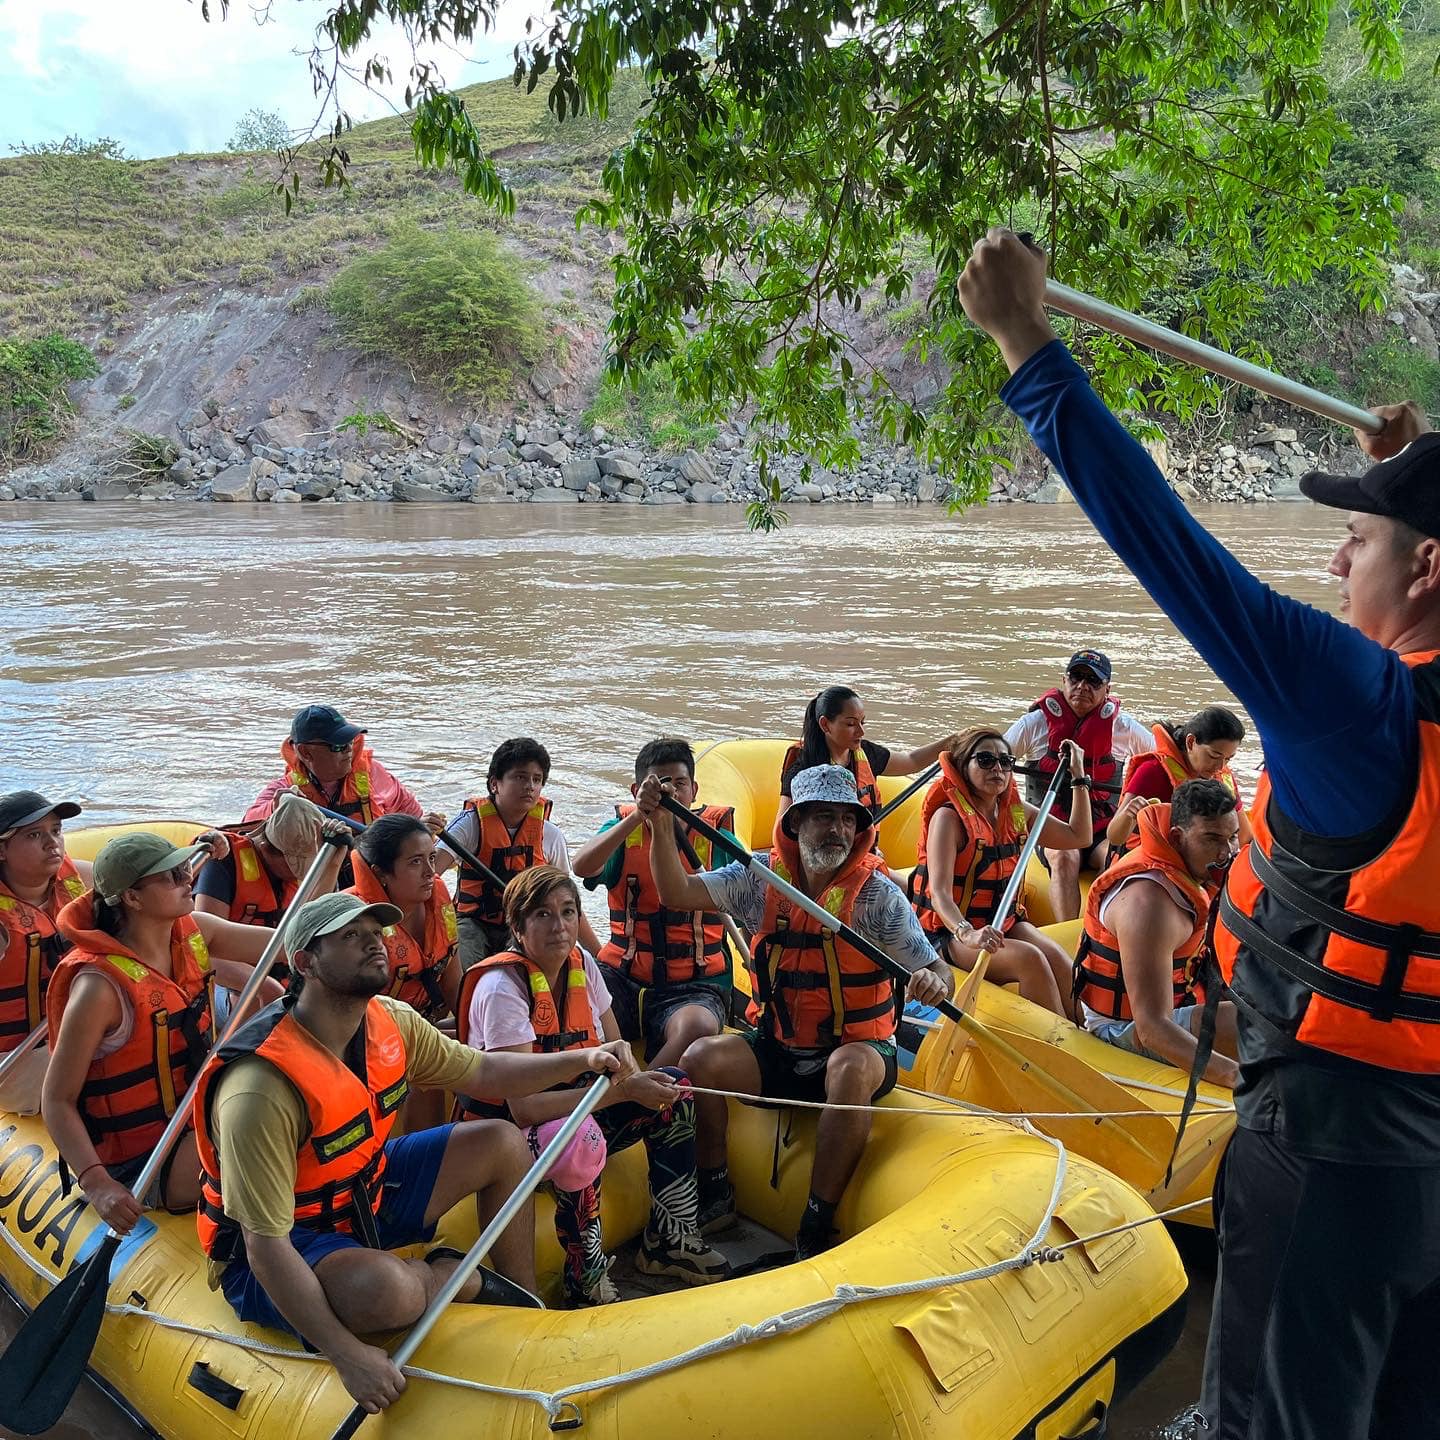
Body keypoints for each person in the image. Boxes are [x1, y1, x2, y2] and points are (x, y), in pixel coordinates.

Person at [958, 224, 1440, 1439]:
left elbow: (1173, 551)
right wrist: (1417, 468)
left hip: (1326, 1147)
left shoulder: (1356, 706)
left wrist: (1027, 346)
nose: (1335, 556)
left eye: (1361, 538)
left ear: (1428, 567)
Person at [192, 893, 636, 1416]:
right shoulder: (260, 1089)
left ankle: (524, 1302)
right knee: (391, 1294)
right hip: (288, 1239)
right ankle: (448, 1273)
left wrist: (583, 1058)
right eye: (350, 937)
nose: (374, 945)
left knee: (500, 1141)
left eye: (375, 933)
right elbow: (264, 1246)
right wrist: (346, 1355)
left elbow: (483, 1071)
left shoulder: (390, 1020)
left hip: (366, 1191)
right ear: (306, 962)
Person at [646, 764, 953, 1258]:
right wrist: (662, 826)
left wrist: (935, 982)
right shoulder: (758, 878)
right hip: (780, 1046)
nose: (838, 830)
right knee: (700, 1059)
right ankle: (715, 1189)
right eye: (823, 817)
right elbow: (676, 892)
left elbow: (937, 969)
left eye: (847, 820)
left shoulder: (878, 896)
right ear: (796, 823)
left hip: (860, 1049)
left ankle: (816, 1222)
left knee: (848, 1066)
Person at [456, 865, 729, 1305]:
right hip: (513, 1136)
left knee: (674, 1087)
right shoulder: (502, 988)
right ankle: (585, 1281)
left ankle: (669, 1240)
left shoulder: (583, 965)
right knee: (579, 1136)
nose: (559, 926)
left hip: (575, 1108)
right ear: (517, 927)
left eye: (568, 912)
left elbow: (618, 1054)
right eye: (543, 915)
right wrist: (622, 1092)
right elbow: (524, 1108)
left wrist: (637, 1084)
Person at [43, 832, 277, 1231]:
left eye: (185, 869)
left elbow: (289, 941)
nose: (188, 879)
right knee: (267, 1134)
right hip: (145, 1161)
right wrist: (98, 1184)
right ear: (132, 898)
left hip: (194, 1118)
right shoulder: (99, 988)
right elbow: (56, 1099)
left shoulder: (194, 931)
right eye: (171, 876)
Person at [571, 737, 743, 1067]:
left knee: (697, 1027)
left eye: (680, 784)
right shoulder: (623, 831)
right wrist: (639, 815)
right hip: (622, 978)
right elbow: (582, 866)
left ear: (694, 790)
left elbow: (752, 904)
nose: (671, 793)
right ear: (638, 790)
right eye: (662, 783)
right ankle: (601, 1080)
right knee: (574, 1002)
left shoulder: (717, 840)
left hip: (694, 987)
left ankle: (642, 1087)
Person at [909, 729, 1090, 1018]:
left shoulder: (1016, 812)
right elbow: (940, 894)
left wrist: (1079, 777)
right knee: (1030, 959)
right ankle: (1058, 1041)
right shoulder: (948, 818)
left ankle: (1092, 1035)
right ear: (963, 766)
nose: (997, 768)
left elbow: (1079, 836)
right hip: (950, 934)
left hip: (1003, 921)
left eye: (1005, 762)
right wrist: (968, 933)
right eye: (985, 760)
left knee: (1057, 956)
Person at [1075, 780, 1240, 1086]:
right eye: (1212, 839)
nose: (1227, 852)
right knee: (1258, 1029)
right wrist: (1240, 1080)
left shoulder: (1186, 872)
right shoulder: (1149, 905)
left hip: (1178, 1005)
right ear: (1176, 837)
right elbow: (1152, 1029)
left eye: (1232, 837)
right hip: (1121, 1031)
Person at [1004, 650, 1154, 921]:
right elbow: (996, 761)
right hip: (1052, 825)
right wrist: (1013, 815)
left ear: (1107, 690)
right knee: (1065, 858)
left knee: (1119, 859)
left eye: (1093, 681)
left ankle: (1105, 925)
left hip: (1102, 828)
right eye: (1076, 678)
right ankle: (1068, 931)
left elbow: (1161, 760)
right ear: (1064, 680)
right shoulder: (1034, 724)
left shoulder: (1124, 728)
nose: (1083, 686)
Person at [444, 737, 601, 967]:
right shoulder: (469, 825)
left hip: (527, 923)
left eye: (537, 779)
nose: (530, 786)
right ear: (494, 784)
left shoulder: (550, 835)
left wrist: (599, 954)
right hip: (473, 922)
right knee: (462, 961)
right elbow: (428, 873)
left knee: (560, 959)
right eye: (520, 777)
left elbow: (565, 900)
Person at [0, 791, 90, 1114]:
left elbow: (136, 882)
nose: (52, 843)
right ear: (2, 850)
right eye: (34, 835)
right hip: (15, 1060)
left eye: (56, 830)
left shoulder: (71, 878)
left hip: (67, 1036)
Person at [777, 685, 956, 827]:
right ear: (825, 724)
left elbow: (912, 761)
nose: (861, 732)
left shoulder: (867, 753)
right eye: (851, 724)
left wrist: (955, 740)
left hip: (861, 852)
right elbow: (783, 826)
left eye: (862, 722)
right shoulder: (803, 766)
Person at [348, 815, 461, 1023]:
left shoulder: (438, 896)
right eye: (415, 862)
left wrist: (472, 1030)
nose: (430, 872)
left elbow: (453, 984)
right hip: (379, 1029)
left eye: (432, 858)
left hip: (427, 1024)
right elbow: (355, 1015)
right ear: (380, 873)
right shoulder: (354, 919)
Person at [1105, 706, 1254, 856]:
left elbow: (1244, 837)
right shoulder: (1153, 771)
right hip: (1155, 860)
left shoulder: (1222, 776)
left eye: (1228, 759)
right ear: (1190, 742)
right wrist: (1128, 814)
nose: (1220, 766)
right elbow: (1115, 837)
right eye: (1213, 756)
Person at [244, 704, 425, 825]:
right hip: (318, 868)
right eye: (337, 746)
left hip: (369, 865)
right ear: (306, 752)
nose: (348, 750)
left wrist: (423, 828)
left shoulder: (374, 774)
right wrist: (278, 807)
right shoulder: (284, 790)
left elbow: (413, 815)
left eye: (350, 741)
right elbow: (248, 823)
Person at [194, 794, 349, 928]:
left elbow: (315, 925)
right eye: (294, 865)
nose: (303, 874)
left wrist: (333, 864)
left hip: (281, 948)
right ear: (265, 849)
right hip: (239, 952)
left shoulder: (318, 862)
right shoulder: (223, 859)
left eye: (311, 861)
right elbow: (208, 938)